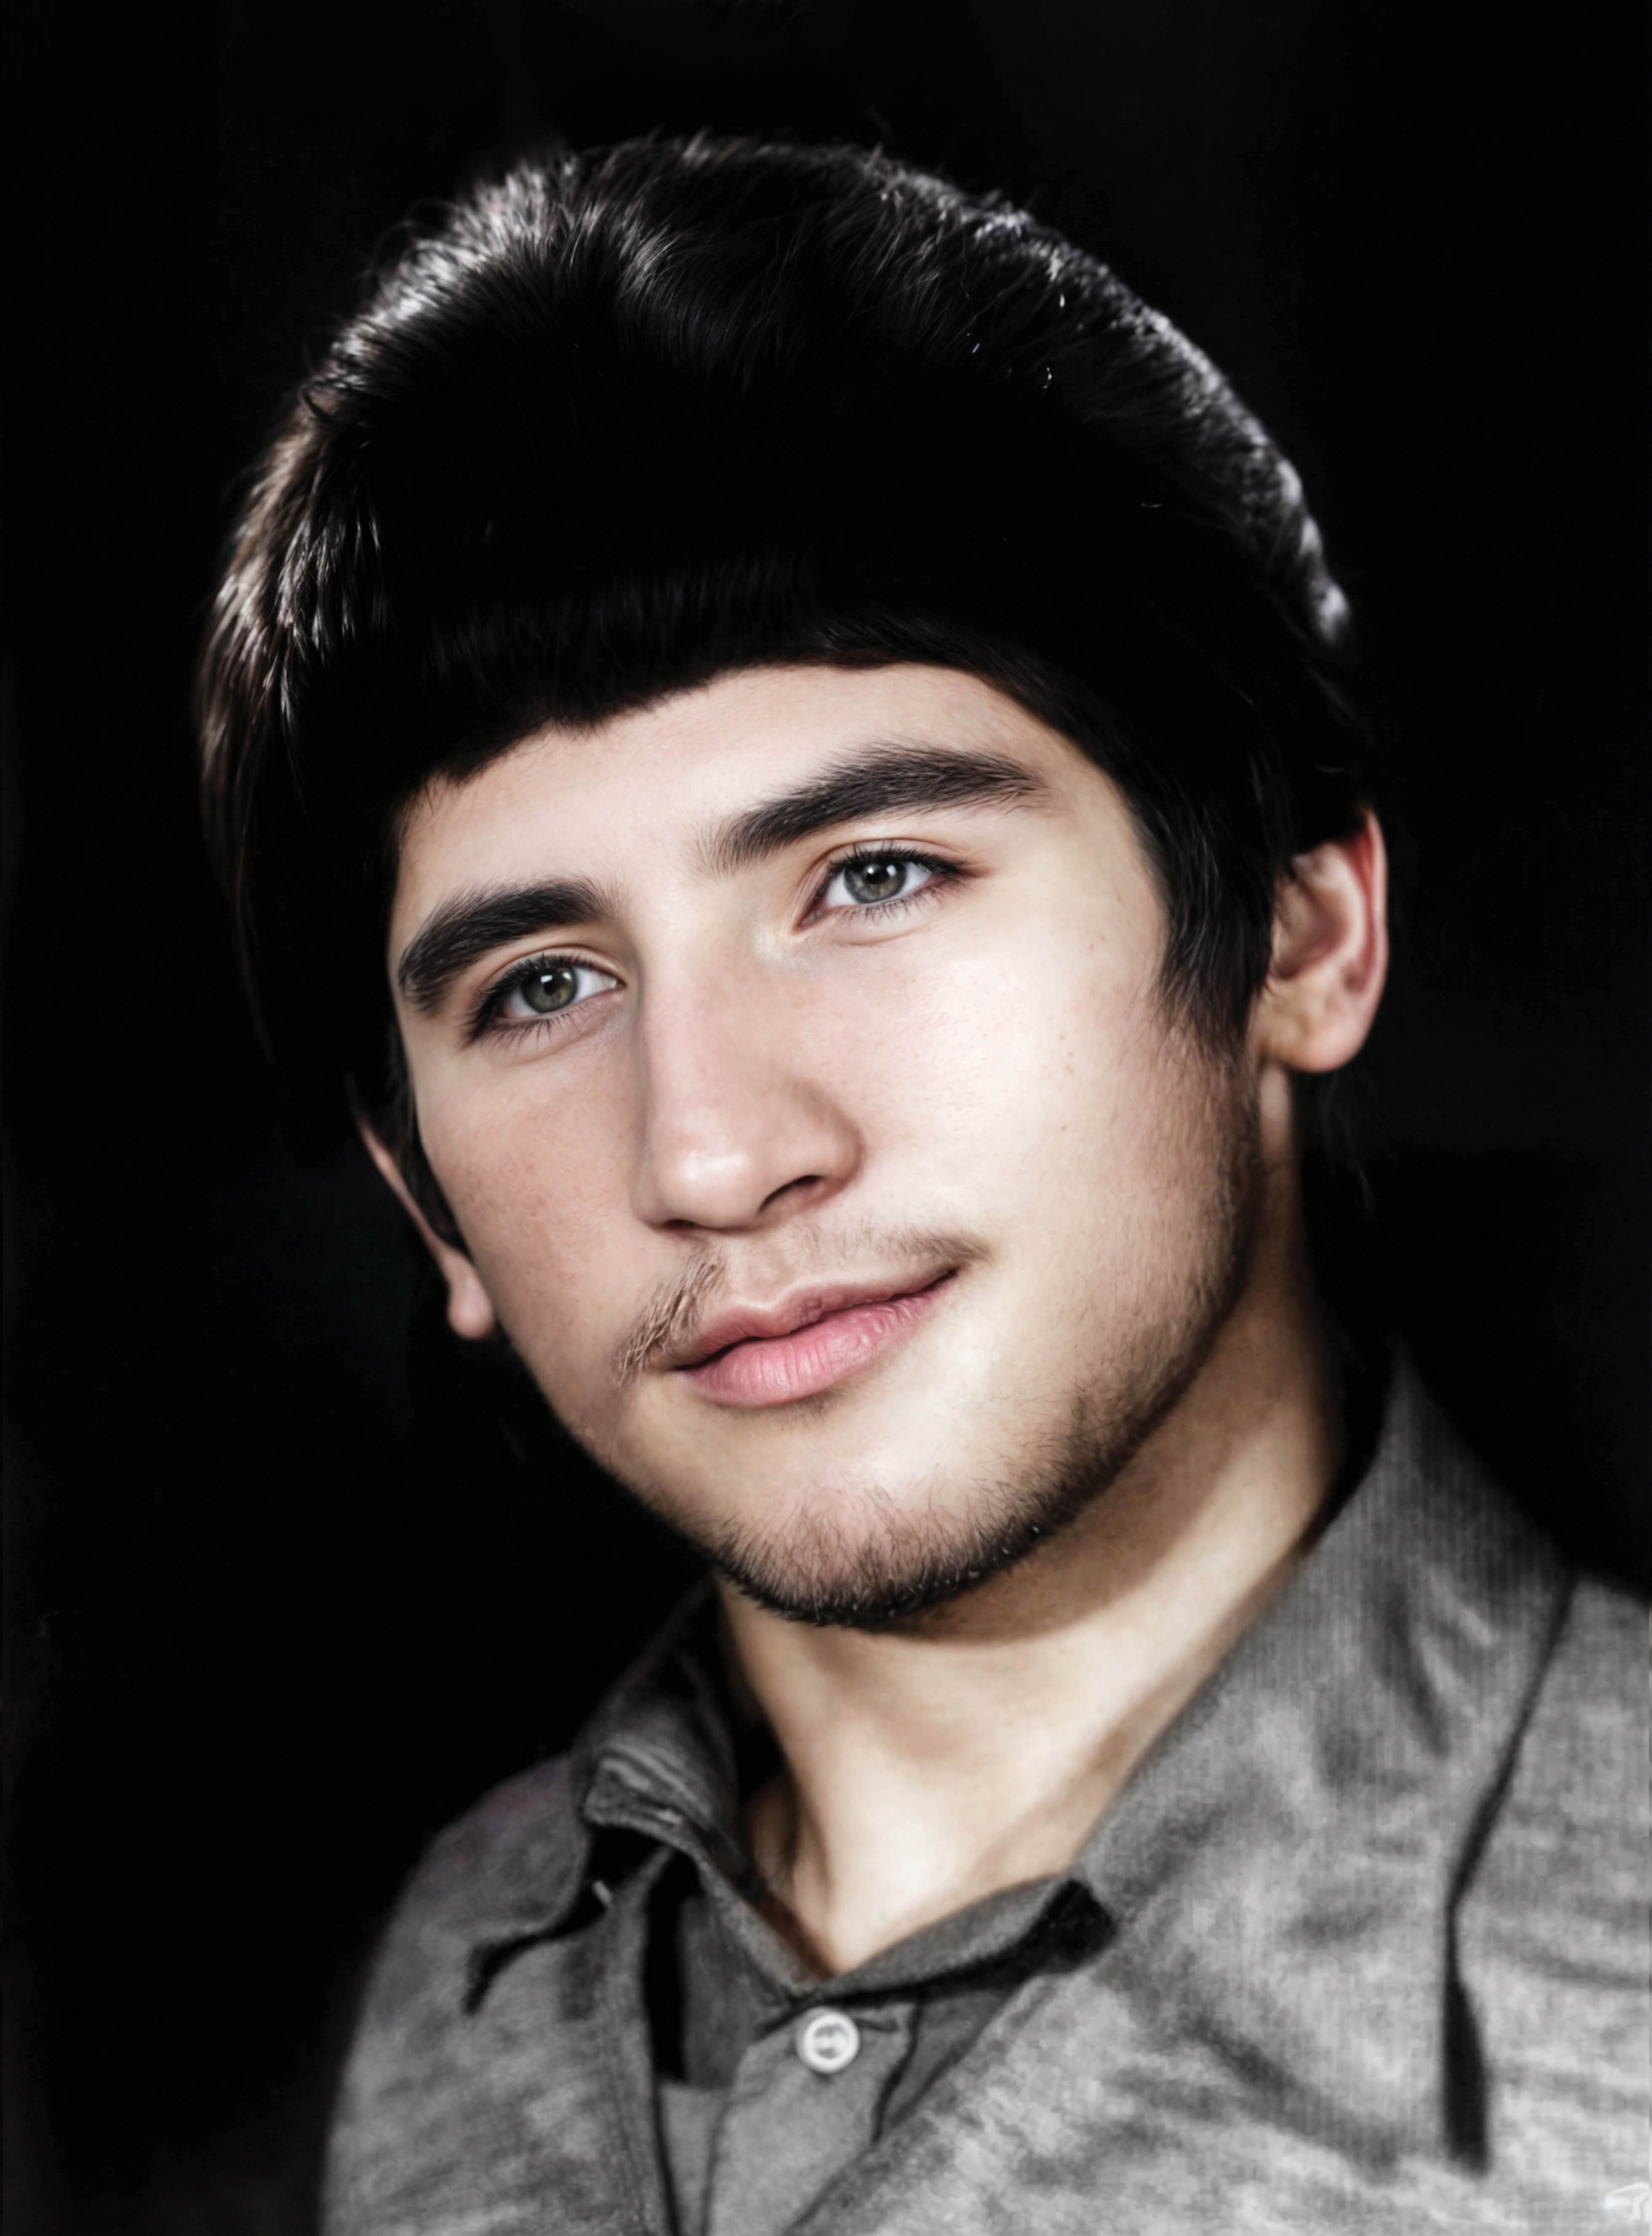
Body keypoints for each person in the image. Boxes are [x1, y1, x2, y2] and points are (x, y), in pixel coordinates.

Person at [195, 134, 1646, 2235]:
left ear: (1302, 934)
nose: (711, 1152)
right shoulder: (461, 1981)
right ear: (426, 1206)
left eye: (875, 875)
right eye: (541, 987)